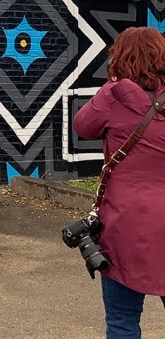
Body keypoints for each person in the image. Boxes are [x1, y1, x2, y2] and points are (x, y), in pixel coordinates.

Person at [74, 26, 165, 339]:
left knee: (122, 321)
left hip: (125, 222)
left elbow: (83, 126)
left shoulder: (113, 95)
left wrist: (110, 87)